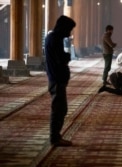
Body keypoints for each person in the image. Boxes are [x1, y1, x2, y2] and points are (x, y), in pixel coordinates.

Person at [45, 15, 76, 147]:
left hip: (56, 78)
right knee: (58, 109)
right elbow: (61, 59)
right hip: (56, 79)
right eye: (69, 30)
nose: (69, 33)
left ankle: (56, 136)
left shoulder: (52, 37)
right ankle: (54, 138)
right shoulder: (55, 39)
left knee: (61, 109)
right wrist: (67, 56)